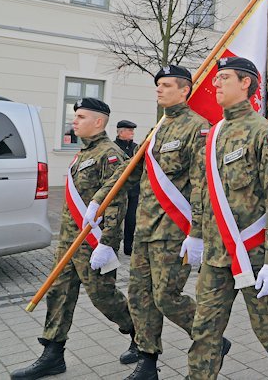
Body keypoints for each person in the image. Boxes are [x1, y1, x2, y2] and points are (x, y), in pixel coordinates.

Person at [93, 65, 224, 380]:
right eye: (158, 85)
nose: (159, 89)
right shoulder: (156, 130)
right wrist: (100, 198)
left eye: (166, 85)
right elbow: (130, 171)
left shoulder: (198, 128)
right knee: (140, 297)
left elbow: (203, 184)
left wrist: (197, 232)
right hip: (144, 230)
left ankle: (211, 340)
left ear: (184, 90)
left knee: (167, 297)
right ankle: (148, 362)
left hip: (174, 231)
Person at [187, 57, 268, 380]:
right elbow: (203, 191)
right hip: (215, 255)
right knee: (204, 329)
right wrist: (195, 233)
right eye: (217, 78)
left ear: (246, 83)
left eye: (224, 77)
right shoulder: (212, 135)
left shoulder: (263, 133)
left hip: (254, 255)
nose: (216, 84)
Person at [11, 98, 136, 379]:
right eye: (75, 116)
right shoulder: (83, 153)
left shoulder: (111, 154)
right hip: (70, 242)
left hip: (92, 244)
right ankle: (52, 354)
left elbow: (116, 203)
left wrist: (106, 245)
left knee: (103, 297)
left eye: (80, 116)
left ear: (98, 122)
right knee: (59, 294)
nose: (74, 121)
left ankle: (140, 335)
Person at [115, 120, 140, 255]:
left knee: (131, 219)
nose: (132, 133)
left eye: (132, 130)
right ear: (121, 132)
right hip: (118, 191)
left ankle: (128, 247)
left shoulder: (136, 148)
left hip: (134, 189)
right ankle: (112, 246)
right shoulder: (113, 147)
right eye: (129, 130)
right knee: (116, 219)